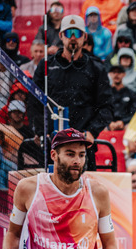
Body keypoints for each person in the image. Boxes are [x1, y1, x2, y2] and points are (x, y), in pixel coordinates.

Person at [31, 15, 113, 155]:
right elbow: (34, 102)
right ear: (61, 36)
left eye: (78, 33)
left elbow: (106, 107)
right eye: (69, 33)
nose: (73, 37)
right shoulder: (46, 65)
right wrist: (42, 132)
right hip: (53, 144)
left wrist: (91, 131)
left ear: (85, 37)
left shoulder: (96, 68)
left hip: (83, 145)